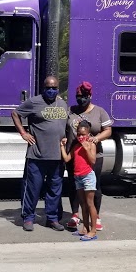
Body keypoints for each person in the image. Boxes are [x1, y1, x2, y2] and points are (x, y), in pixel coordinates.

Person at [12, 75, 69, 232]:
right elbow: (15, 114)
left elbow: (64, 126)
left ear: (58, 89)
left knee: (54, 189)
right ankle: (28, 218)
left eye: (54, 88)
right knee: (32, 188)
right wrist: (23, 133)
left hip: (57, 156)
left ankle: (52, 218)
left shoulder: (63, 104)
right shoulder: (34, 102)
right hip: (37, 155)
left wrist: (64, 138)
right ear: (43, 88)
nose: (51, 90)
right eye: (48, 88)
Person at [64, 81, 112, 232]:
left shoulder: (99, 111)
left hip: (94, 155)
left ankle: (95, 216)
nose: (81, 99)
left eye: (84, 96)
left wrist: (97, 139)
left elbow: (108, 130)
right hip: (75, 153)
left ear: (90, 96)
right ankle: (75, 214)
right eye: (79, 96)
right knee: (74, 185)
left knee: (93, 186)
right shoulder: (70, 111)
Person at [60, 120, 99, 241]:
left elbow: (93, 161)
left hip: (88, 176)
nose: (81, 137)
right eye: (79, 134)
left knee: (90, 203)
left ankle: (93, 230)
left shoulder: (91, 144)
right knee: (82, 204)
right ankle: (85, 228)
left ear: (88, 134)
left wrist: (86, 148)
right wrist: (61, 146)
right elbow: (67, 159)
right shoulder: (76, 146)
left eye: (84, 134)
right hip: (78, 177)